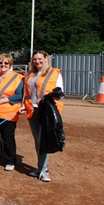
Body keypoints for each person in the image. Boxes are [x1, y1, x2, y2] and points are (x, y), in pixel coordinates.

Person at [20, 50, 64, 182]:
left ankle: (43, 170)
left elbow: (60, 91)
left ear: (46, 59)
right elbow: (26, 92)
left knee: (43, 141)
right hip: (32, 110)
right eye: (35, 59)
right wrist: (23, 105)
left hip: (46, 112)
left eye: (40, 59)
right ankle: (40, 168)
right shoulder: (30, 75)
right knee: (37, 141)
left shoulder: (54, 73)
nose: (37, 61)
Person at [0, 53, 23, 171]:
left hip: (9, 112)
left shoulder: (18, 78)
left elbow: (19, 95)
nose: (3, 65)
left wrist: (2, 100)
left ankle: (10, 160)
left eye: (6, 63)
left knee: (7, 138)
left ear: (10, 64)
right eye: (1, 62)